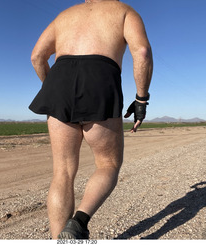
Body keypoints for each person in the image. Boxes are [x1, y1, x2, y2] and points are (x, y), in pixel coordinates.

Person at [29, 0, 153, 240]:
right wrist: (141, 100)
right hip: (100, 77)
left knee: (62, 172)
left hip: (59, 79)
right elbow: (142, 52)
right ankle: (79, 222)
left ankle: (59, 241)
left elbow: (37, 57)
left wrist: (55, 92)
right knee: (108, 164)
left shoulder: (64, 15)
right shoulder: (124, 11)